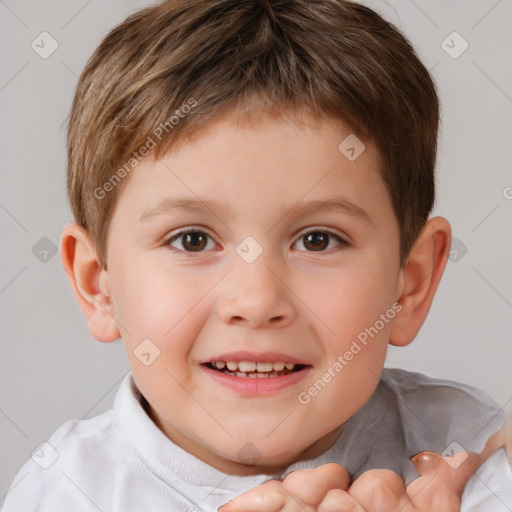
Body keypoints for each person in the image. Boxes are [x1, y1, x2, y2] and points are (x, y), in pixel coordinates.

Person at [3, 1, 511, 510]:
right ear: (99, 285)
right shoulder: (60, 492)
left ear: (410, 284)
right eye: (192, 240)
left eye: (318, 240)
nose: (256, 300)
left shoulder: (474, 454)